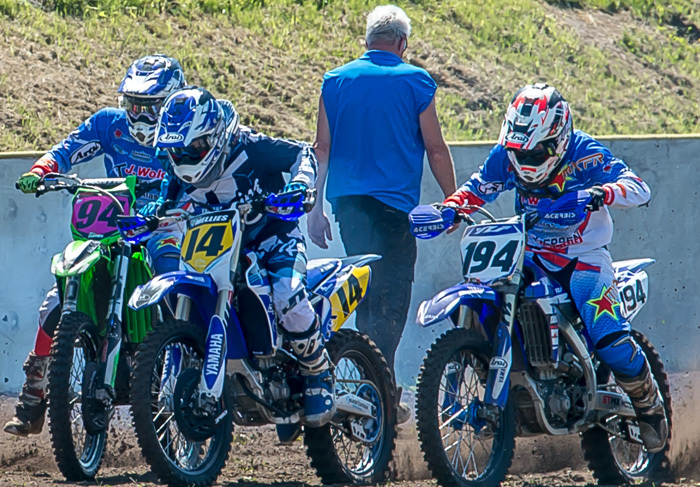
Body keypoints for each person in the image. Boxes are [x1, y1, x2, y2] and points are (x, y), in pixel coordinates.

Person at [442, 82, 667, 452]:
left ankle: (647, 403)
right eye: (519, 151)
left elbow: (638, 187)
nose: (527, 160)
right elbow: (478, 186)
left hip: (584, 258)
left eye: (536, 152)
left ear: (559, 139)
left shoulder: (584, 151)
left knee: (607, 337)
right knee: (488, 303)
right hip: (528, 253)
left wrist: (603, 192)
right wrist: (451, 207)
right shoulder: (505, 155)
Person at [4, 55, 186, 436]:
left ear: (169, 103)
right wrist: (41, 170)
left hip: (161, 226)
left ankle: (185, 377)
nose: (138, 113)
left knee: (172, 283)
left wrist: (178, 209)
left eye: (149, 106)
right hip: (112, 224)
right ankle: (36, 386)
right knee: (62, 291)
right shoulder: (109, 124)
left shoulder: (184, 131)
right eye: (133, 104)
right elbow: (68, 148)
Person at [154, 87, 332, 435]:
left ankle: (317, 371)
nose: (185, 157)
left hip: (271, 240)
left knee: (288, 294)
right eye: (176, 150)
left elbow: (303, 155)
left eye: (194, 148)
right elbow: (164, 203)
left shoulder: (251, 147)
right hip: (213, 249)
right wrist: (150, 215)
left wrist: (299, 186)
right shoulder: (173, 166)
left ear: (214, 135)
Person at [308, 5, 457, 421]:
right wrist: (454, 202)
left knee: (364, 294)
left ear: (368, 41)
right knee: (391, 300)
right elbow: (436, 148)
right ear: (403, 43)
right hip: (394, 208)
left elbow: (321, 149)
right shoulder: (416, 80)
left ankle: (372, 386)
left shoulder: (334, 80)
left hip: (348, 206)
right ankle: (382, 390)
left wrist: (314, 209)